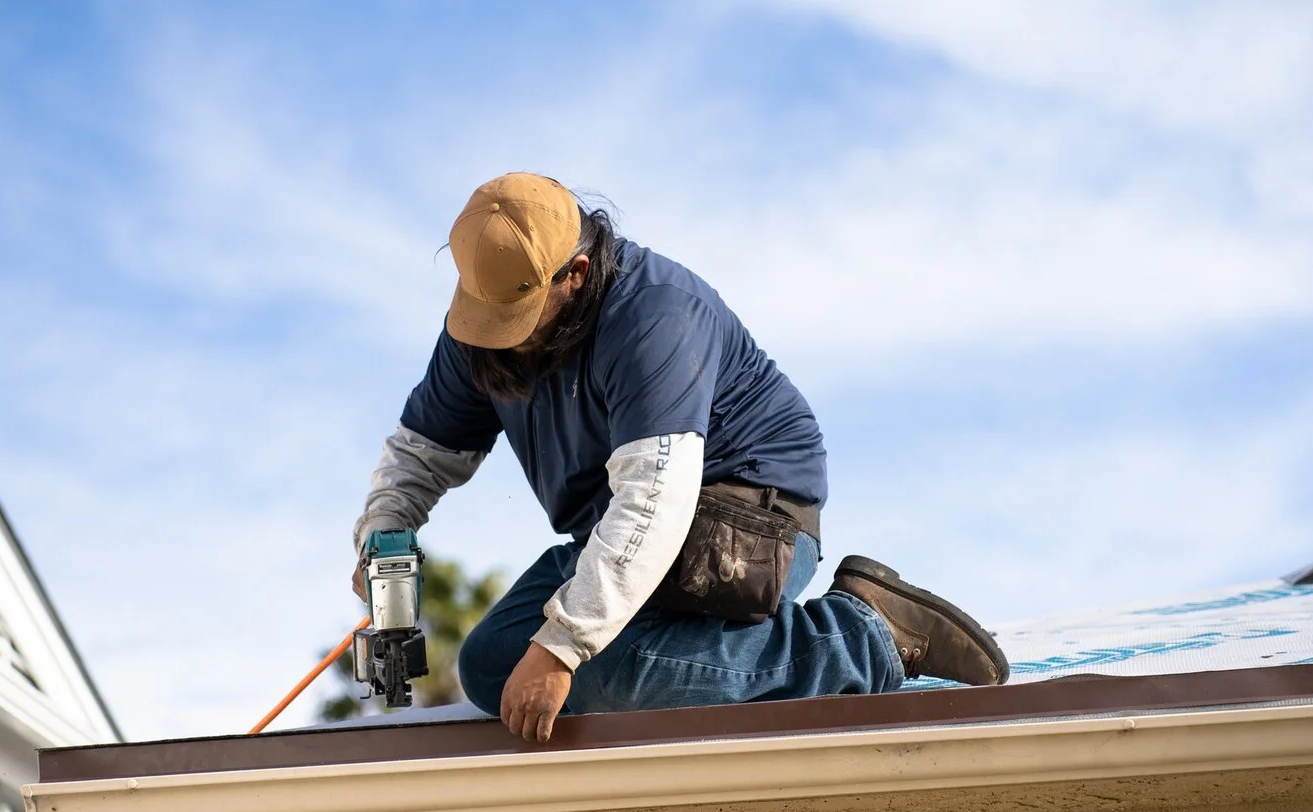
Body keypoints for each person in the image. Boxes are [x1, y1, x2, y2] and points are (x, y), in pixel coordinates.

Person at [353, 172, 1008, 743]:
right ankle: (638, 650)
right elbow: (420, 455)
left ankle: (863, 635)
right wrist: (384, 537)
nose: (500, 340)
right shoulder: (481, 325)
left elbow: (653, 501)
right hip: (623, 531)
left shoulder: (654, 314)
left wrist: (563, 648)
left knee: (590, 668)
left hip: (744, 518)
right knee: (493, 662)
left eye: (518, 316)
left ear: (574, 275)